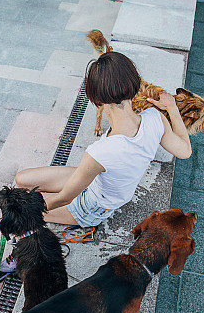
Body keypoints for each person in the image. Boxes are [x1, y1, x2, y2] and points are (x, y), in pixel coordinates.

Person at [14, 50, 193, 227]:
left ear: (97, 99)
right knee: (21, 180)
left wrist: (32, 211)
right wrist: (172, 107)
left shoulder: (100, 152)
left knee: (18, 209)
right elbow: (185, 150)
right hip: (94, 182)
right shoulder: (155, 118)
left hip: (91, 207)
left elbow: (64, 198)